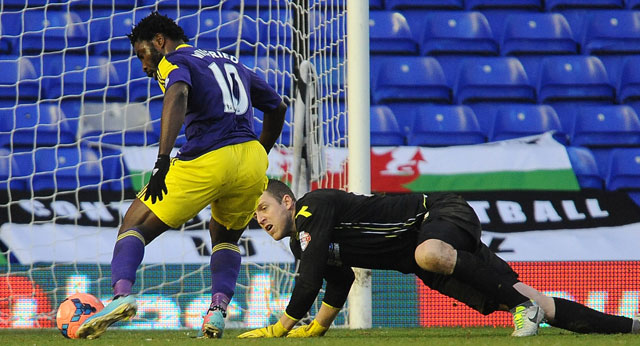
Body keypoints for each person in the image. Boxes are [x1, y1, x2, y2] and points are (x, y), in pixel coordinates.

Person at [76, 12, 286, 339]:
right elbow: (277, 106)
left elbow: (178, 93)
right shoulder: (230, 61)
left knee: (134, 223)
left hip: (207, 157)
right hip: (251, 160)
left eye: (143, 54)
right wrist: (260, 154)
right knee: (226, 236)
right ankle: (217, 311)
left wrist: (161, 161)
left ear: (159, 41)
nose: (144, 65)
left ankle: (121, 295)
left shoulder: (172, 60)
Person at [238, 179, 640, 338]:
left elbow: (309, 277)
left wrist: (282, 326)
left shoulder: (315, 206)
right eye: (255, 215)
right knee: (537, 302)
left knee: (427, 252)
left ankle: (523, 309)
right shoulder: (303, 242)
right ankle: (630, 326)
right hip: (428, 260)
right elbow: (337, 279)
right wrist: (317, 329)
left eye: (263, 209)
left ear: (288, 202)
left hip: (440, 215)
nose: (260, 219)